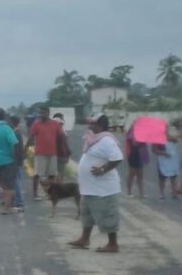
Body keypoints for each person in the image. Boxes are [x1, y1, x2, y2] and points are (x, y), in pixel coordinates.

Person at [69, 114, 123, 253]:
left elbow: (117, 158)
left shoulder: (106, 140)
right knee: (87, 214)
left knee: (107, 215)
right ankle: (84, 239)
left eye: (92, 123)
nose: (89, 125)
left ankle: (113, 244)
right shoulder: (95, 140)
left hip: (103, 189)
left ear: (100, 125)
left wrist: (103, 169)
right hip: (89, 187)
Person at [27, 107, 64, 200]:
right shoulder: (36, 124)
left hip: (52, 153)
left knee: (51, 174)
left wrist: (62, 150)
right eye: (40, 113)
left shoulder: (55, 124)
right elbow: (31, 137)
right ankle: (35, 194)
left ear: (48, 113)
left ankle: (50, 193)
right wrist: (25, 149)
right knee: (37, 174)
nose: (41, 115)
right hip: (40, 154)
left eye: (43, 113)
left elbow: (60, 137)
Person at [154, 132, 180, 200]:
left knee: (173, 177)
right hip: (163, 160)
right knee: (162, 177)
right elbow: (155, 150)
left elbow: (176, 140)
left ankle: (174, 193)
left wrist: (169, 137)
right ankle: (161, 193)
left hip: (172, 159)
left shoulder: (169, 136)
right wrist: (163, 153)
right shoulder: (157, 139)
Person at [9, 115, 26, 213]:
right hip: (17, 161)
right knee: (15, 182)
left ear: (12, 122)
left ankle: (19, 203)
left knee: (16, 183)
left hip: (14, 161)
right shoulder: (17, 132)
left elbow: (16, 149)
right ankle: (14, 201)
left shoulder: (15, 133)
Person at [52, 113, 72, 183]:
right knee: (60, 173)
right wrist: (68, 152)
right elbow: (64, 144)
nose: (63, 120)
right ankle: (58, 188)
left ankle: (55, 188)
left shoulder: (52, 130)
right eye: (62, 119)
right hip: (60, 154)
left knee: (54, 173)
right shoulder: (60, 131)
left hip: (54, 154)